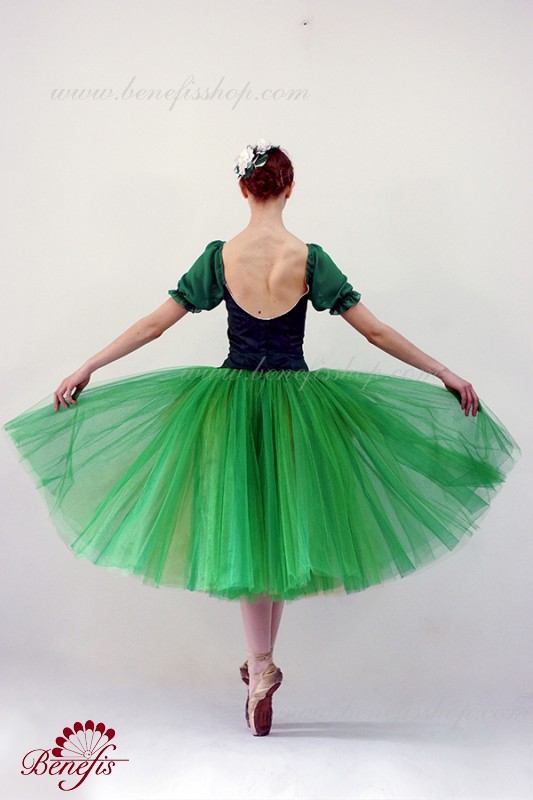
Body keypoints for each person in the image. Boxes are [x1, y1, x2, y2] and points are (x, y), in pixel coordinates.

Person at [3, 140, 521, 737]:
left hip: (232, 408)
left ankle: (260, 666)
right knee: (274, 537)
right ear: (290, 188)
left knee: (249, 538)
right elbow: (375, 333)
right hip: (297, 409)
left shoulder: (221, 257)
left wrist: (88, 366)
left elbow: (153, 324)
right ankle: (261, 666)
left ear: (243, 189)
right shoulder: (309, 259)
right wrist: (444, 372)